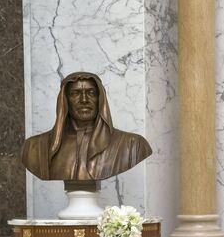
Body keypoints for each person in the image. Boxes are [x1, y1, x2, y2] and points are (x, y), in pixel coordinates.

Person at [22, 72, 152, 181]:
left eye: (91, 93)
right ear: (64, 101)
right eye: (75, 93)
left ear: (100, 98)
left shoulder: (133, 145)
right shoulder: (35, 147)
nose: (84, 99)